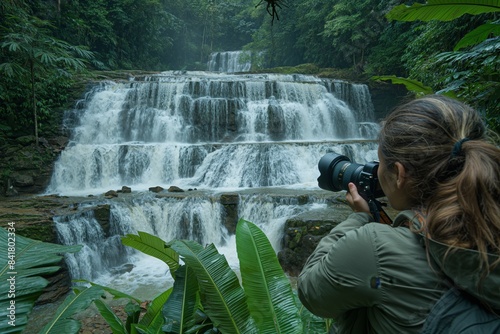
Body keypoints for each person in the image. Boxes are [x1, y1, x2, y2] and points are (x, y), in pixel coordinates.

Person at [298, 95, 500, 333]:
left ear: (399, 174)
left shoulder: (374, 248)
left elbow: (310, 291)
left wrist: (360, 218)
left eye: (379, 162)